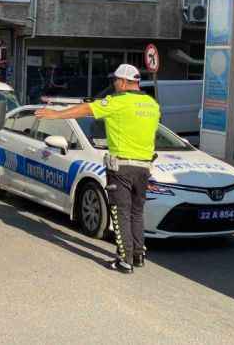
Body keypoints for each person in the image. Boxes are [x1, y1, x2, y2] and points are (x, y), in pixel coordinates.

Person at [35, 64, 159, 274]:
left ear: (123, 81)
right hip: (144, 168)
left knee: (121, 214)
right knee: (137, 212)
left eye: (115, 80)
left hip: (122, 167)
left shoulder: (117, 102)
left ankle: (124, 260)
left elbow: (85, 109)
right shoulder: (152, 104)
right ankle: (138, 255)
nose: (113, 84)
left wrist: (53, 114)